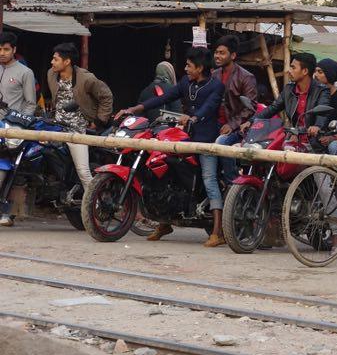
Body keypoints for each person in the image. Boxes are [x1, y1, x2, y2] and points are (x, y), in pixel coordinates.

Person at [117, 47, 225, 246]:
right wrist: (134, 108)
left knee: (209, 179)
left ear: (200, 68)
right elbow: (162, 98)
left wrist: (193, 118)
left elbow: (209, 107)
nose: (185, 69)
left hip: (207, 140)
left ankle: (217, 232)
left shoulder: (216, 86)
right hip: (187, 137)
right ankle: (164, 223)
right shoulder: (185, 83)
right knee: (165, 168)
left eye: (189, 66)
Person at [46, 43, 114, 187]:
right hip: (56, 126)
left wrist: (99, 120)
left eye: (55, 59)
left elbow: (106, 96)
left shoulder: (86, 78)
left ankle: (93, 199)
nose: (52, 62)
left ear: (67, 61)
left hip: (78, 129)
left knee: (83, 171)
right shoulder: (51, 74)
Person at [0, 32, 38, 227]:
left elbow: (30, 104)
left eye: (6, 49)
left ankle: (7, 212)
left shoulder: (25, 72)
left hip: (12, 129)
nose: (2, 53)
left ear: (14, 50)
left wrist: (20, 126)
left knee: (8, 169)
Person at [248, 52, 331, 134]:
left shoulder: (322, 90)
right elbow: (273, 108)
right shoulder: (289, 89)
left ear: (305, 71)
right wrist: (251, 121)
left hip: (314, 138)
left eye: (293, 68)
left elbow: (322, 113)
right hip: (295, 135)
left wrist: (317, 126)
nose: (289, 71)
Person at [212, 36, 257, 184]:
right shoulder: (214, 75)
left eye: (222, 53)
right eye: (216, 52)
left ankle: (233, 183)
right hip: (215, 123)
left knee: (222, 142)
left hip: (237, 127)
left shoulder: (246, 77)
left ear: (232, 56)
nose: (217, 56)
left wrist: (232, 125)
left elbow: (250, 108)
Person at [313, 58, 337, 155]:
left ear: (329, 74)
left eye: (320, 72)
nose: (315, 75)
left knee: (334, 146)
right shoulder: (313, 95)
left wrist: (332, 138)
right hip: (315, 138)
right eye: (315, 71)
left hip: (335, 141)